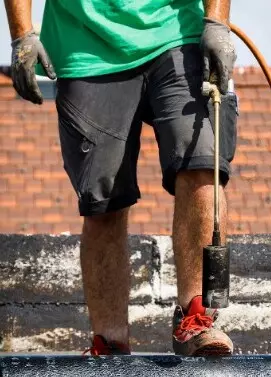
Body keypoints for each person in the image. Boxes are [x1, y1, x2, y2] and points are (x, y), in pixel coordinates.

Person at [5, 0, 238, 356]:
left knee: (202, 163)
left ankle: (198, 318)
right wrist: (22, 35)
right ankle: (110, 344)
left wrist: (217, 21)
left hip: (178, 33)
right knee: (103, 200)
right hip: (86, 45)